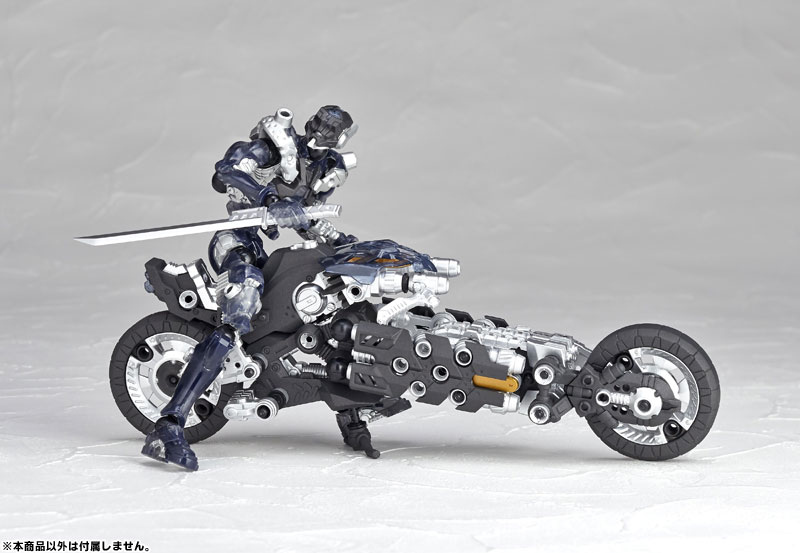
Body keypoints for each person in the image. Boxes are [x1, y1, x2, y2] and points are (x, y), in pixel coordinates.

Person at [141, 106, 358, 471]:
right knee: (244, 298)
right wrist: (269, 199)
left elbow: (307, 219)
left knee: (326, 304)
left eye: (331, 131)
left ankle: (352, 410)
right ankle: (169, 425)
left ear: (341, 139)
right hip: (237, 240)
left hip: (267, 250)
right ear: (309, 123)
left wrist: (338, 242)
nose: (322, 134)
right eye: (320, 125)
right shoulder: (276, 147)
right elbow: (226, 171)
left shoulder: (325, 170)